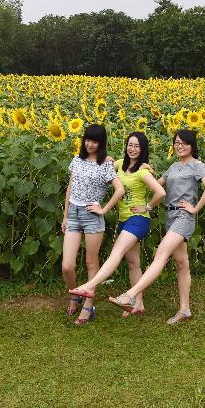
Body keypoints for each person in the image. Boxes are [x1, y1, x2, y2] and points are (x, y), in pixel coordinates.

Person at [109, 129, 205, 324]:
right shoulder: (173, 166)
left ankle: (130, 295)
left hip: (184, 216)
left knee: (161, 253)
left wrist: (195, 208)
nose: (180, 146)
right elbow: (155, 184)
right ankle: (185, 310)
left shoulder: (197, 165)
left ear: (192, 146)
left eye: (184, 143)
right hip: (170, 215)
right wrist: (144, 170)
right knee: (182, 263)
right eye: (177, 142)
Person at [67, 131, 166, 316]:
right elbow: (107, 165)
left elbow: (160, 192)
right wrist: (108, 159)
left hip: (138, 220)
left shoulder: (143, 171)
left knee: (117, 252)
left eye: (137, 146)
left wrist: (147, 207)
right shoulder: (120, 164)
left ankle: (89, 285)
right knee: (133, 264)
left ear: (143, 149)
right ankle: (138, 304)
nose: (133, 149)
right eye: (130, 145)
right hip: (124, 220)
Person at [62, 123, 125, 325]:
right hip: (73, 213)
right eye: (88, 139)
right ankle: (74, 296)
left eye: (95, 140)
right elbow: (70, 189)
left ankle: (88, 307)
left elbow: (120, 190)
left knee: (91, 263)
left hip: (92, 216)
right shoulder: (76, 160)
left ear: (101, 143)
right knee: (67, 266)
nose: (90, 144)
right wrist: (65, 216)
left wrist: (104, 209)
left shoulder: (105, 164)